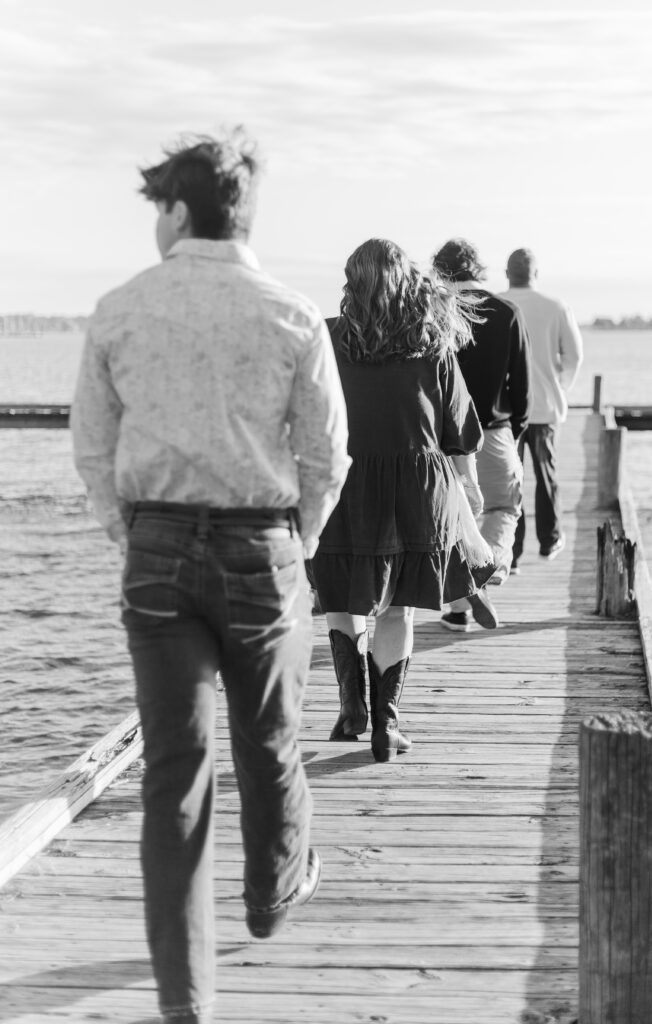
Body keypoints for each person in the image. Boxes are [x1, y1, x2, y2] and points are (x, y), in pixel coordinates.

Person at [70, 128, 350, 1024]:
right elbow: (327, 453)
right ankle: (271, 896)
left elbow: (92, 447)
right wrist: (296, 538)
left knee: (174, 773)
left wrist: (130, 532)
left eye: (158, 208)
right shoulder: (291, 313)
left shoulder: (120, 308)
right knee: (269, 740)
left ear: (180, 209)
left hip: (156, 552)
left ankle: (185, 1001)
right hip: (260, 546)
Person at [310, 237, 495, 762]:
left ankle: (352, 709)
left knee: (343, 599)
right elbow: (459, 431)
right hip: (419, 491)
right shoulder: (431, 342)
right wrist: (472, 489)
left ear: (352, 283)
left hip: (342, 485)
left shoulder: (327, 338)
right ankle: (385, 727)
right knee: (397, 613)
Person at [431, 238, 531, 630]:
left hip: (440, 435)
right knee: (503, 507)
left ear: (441, 271)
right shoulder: (508, 311)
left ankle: (458, 609)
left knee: (451, 520)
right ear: (478, 268)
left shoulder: (433, 309)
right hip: (493, 429)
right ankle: (489, 567)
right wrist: (516, 429)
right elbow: (521, 385)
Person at [498, 248, 583, 566]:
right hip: (545, 406)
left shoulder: (496, 304)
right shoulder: (556, 307)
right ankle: (549, 541)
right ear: (536, 274)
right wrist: (560, 386)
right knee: (546, 475)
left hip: (504, 411)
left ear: (507, 273)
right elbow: (574, 356)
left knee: (510, 480)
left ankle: (512, 552)